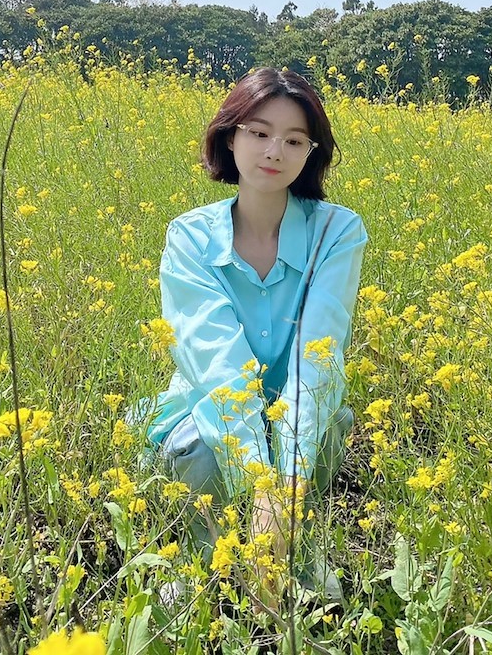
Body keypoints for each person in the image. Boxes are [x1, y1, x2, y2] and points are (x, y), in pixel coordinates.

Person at [133, 66, 368, 610]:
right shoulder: (190, 236)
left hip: (298, 410)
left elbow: (318, 354)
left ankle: (298, 551)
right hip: (213, 408)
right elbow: (217, 362)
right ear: (229, 137)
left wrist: (287, 482)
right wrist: (263, 482)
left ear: (311, 153)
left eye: (294, 140)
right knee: (196, 443)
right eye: (259, 133)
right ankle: (205, 557)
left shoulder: (337, 232)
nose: (274, 151)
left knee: (332, 421)